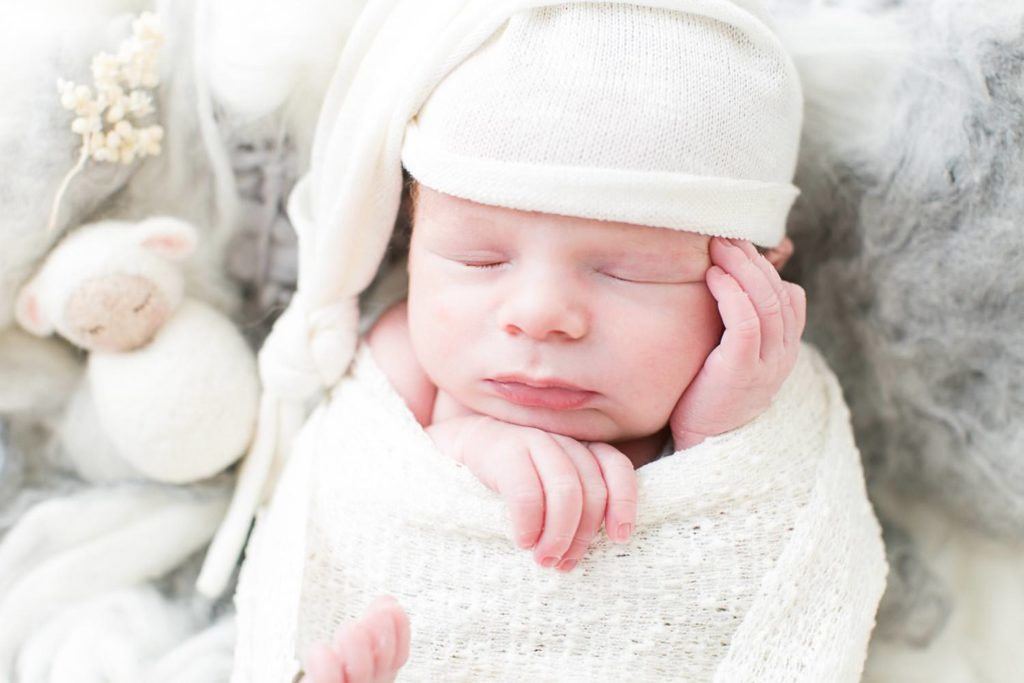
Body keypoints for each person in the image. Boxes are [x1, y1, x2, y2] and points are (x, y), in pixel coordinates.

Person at [229, 2, 887, 681]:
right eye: (480, 259)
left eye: (623, 270)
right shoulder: (408, 369)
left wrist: (717, 434)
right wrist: (469, 442)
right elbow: (355, 493)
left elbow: (753, 550)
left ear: (754, 278)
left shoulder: (748, 393)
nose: (540, 314)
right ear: (412, 238)